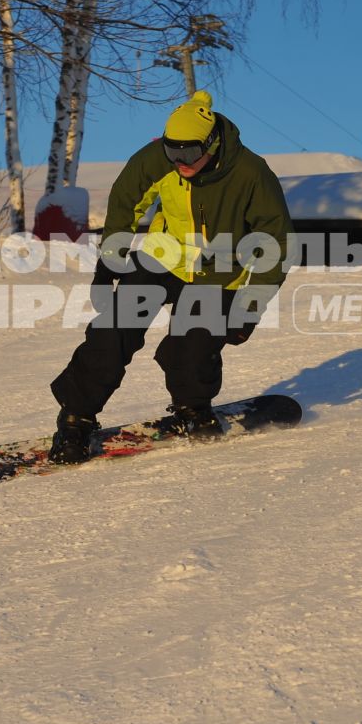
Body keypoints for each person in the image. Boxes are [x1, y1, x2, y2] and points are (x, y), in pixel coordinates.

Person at [48, 90, 293, 464]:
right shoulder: (154, 159)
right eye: (172, 152)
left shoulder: (251, 173)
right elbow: (125, 202)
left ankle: (191, 407)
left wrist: (249, 307)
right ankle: (75, 417)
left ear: (212, 143)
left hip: (219, 269)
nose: (180, 162)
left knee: (195, 344)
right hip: (166, 255)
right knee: (113, 332)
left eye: (189, 154)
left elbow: (276, 243)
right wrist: (109, 263)